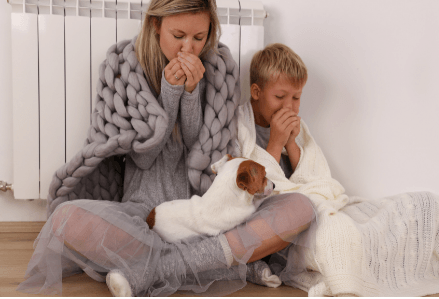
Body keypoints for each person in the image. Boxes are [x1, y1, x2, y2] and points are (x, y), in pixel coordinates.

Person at [17, 1, 314, 296]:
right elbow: (143, 158)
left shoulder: (220, 69)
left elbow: (207, 154)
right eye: (179, 36)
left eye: (199, 38)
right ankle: (225, 264)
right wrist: (170, 93)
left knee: (300, 208)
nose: (189, 48)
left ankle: (156, 269)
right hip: (142, 214)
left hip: (208, 212)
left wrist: (190, 93)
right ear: (156, 24)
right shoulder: (121, 68)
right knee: (67, 218)